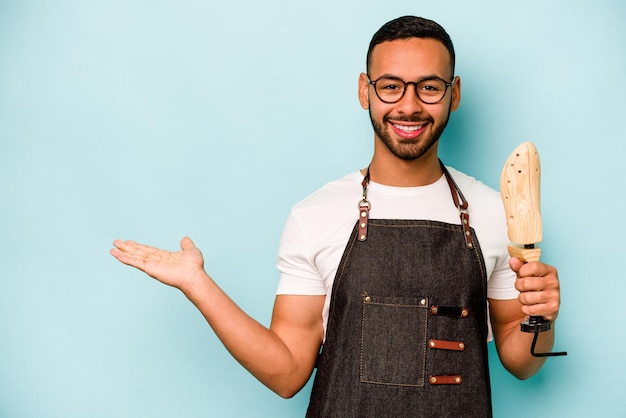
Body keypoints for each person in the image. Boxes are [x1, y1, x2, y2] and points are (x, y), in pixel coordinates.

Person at [110, 16, 561, 417]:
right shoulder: (316, 215)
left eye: (428, 86)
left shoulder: (491, 212)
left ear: (453, 93)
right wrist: (198, 285)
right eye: (390, 85)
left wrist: (543, 317)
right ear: (365, 90)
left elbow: (521, 362)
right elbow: (286, 373)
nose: (408, 105)